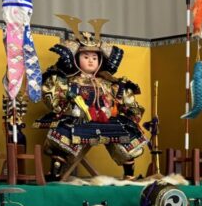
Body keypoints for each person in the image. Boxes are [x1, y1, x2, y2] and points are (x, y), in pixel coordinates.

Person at [36, 16, 147, 179]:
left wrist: (128, 110)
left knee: (126, 132)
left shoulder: (109, 83)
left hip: (106, 121)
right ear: (76, 59)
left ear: (100, 60)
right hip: (78, 120)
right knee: (62, 132)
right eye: (86, 57)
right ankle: (56, 171)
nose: (90, 61)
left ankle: (129, 174)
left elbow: (124, 101)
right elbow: (55, 101)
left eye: (94, 58)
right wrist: (67, 102)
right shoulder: (68, 81)